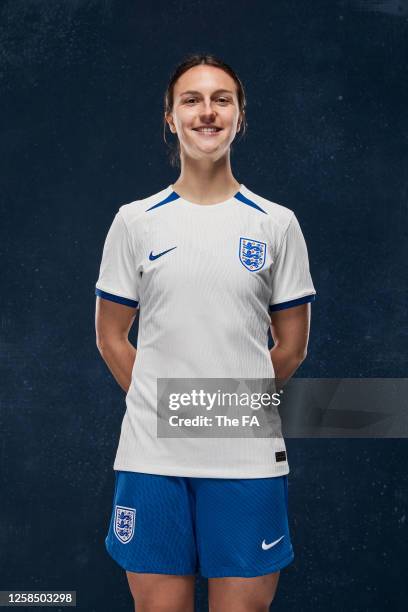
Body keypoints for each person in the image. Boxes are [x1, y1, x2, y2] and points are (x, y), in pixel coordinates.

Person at [95, 53, 316, 612]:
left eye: (222, 99)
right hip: (152, 461)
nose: (207, 112)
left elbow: (291, 346)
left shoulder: (275, 223)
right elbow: (111, 337)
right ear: (170, 117)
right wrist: (165, 408)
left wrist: (229, 410)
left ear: (241, 116)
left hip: (245, 462)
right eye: (191, 100)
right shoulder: (135, 220)